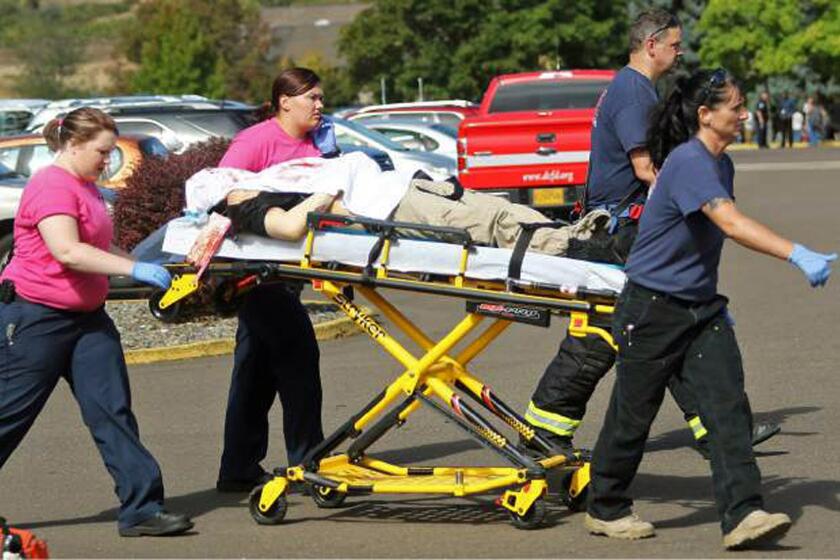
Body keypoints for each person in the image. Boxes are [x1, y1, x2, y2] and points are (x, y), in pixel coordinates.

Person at [583, 68, 835, 549]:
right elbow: (732, 224)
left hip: (700, 309)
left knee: (727, 408)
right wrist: (795, 252)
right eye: (736, 107)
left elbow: (706, 239)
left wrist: (705, 294)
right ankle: (605, 506)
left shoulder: (722, 163)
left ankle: (744, 514)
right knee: (633, 415)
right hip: (651, 308)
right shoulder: (690, 162)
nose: (744, 115)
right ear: (705, 114)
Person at [521, 9, 778, 459]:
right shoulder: (634, 94)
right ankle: (544, 429)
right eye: (675, 46)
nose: (679, 54)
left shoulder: (632, 89)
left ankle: (718, 430)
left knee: (659, 328)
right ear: (652, 43)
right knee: (611, 337)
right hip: (618, 237)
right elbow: (646, 169)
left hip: (620, 232)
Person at [0, 108, 193, 537]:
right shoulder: (50, 186)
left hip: (87, 320)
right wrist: (134, 271)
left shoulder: (85, 187)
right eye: (102, 152)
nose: (108, 161)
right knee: (9, 414)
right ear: (72, 145)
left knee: (112, 411)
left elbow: (104, 247)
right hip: (36, 319)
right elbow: (68, 251)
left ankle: (141, 509)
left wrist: (153, 260)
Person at [214, 68, 334, 493]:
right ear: (285, 100)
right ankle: (308, 461)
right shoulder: (256, 141)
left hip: (287, 271)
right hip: (256, 275)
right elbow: (224, 194)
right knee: (299, 358)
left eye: (321, 99)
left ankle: (238, 467)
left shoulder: (313, 145)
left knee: (256, 369)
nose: (320, 106)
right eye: (312, 98)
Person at [186, 151, 610, 255]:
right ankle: (578, 248)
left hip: (403, 189)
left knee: (495, 210)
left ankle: (579, 235)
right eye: (225, 182)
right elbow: (293, 228)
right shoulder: (250, 208)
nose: (233, 176)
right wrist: (332, 186)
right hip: (389, 210)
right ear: (220, 198)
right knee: (490, 223)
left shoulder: (263, 183)